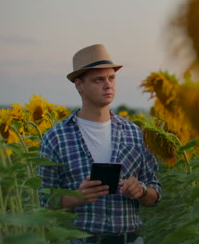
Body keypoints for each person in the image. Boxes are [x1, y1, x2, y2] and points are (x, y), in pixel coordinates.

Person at [37, 44, 161, 244]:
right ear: (79, 85)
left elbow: (155, 192)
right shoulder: (56, 138)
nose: (108, 85)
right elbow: (44, 202)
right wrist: (76, 197)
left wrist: (142, 191)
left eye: (111, 78)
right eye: (98, 80)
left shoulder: (134, 133)